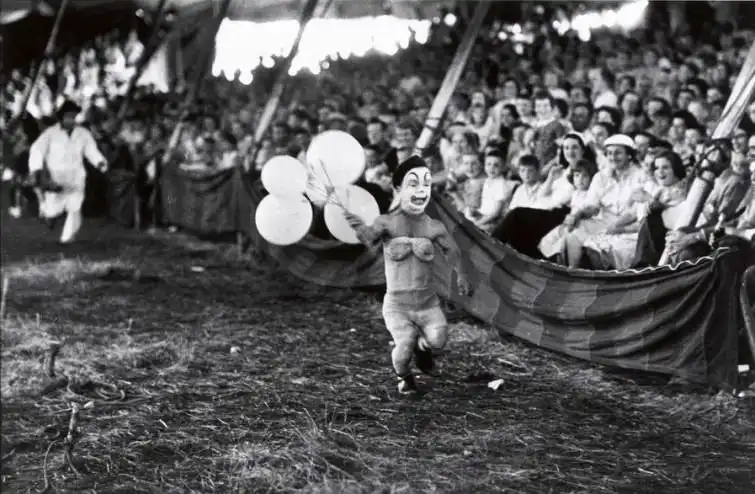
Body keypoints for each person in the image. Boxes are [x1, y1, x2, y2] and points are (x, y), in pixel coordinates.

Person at [344, 155, 472, 395]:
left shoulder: (434, 226)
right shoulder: (385, 223)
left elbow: (453, 252)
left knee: (438, 341)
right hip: (397, 304)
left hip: (427, 302)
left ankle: (423, 348)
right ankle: (405, 378)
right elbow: (369, 238)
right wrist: (357, 224)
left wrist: (462, 275)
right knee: (403, 347)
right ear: (398, 190)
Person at [28, 100, 108, 244]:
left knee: (75, 206)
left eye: (73, 116)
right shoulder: (50, 133)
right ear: (62, 116)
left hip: (76, 175)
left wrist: (99, 162)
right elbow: (37, 150)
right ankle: (49, 215)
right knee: (53, 209)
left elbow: (91, 150)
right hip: (56, 176)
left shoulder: (83, 133)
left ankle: (67, 238)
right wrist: (36, 168)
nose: (71, 119)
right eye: (68, 116)